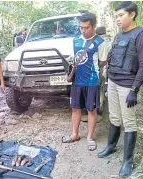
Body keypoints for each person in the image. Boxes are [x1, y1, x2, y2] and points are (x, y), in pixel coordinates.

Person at [98, 2, 143, 177]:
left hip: (127, 84)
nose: (118, 19)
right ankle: (111, 147)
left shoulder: (142, 35)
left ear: (132, 14)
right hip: (113, 82)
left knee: (129, 122)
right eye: (116, 17)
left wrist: (133, 90)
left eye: (121, 15)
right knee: (114, 117)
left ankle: (127, 161)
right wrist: (107, 84)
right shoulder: (119, 36)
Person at [62, 12, 108, 151]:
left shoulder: (100, 42)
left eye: (86, 27)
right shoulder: (75, 41)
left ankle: (89, 137)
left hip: (92, 81)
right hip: (77, 81)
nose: (83, 30)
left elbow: (102, 62)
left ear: (93, 26)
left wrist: (91, 68)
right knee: (75, 108)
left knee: (91, 109)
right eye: (81, 27)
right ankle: (75, 134)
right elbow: (74, 58)